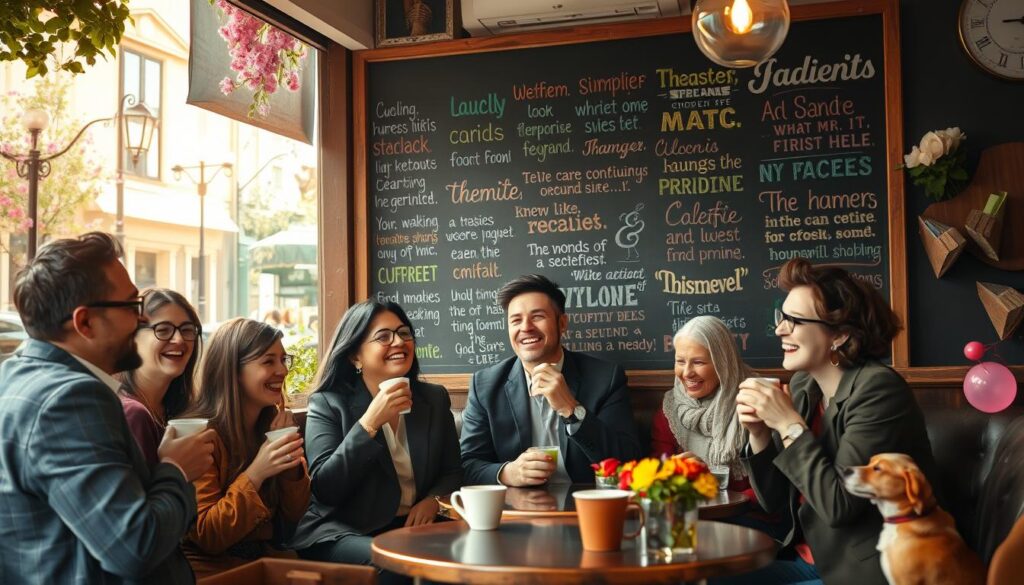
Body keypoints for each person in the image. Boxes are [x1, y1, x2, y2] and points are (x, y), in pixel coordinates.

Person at [0, 232, 215, 584]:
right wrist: (176, 469)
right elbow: (133, 547)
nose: (142, 320)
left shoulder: (13, 377)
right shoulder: (71, 400)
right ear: (85, 322)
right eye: (131, 306)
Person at [722, 259, 939, 585]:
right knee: (697, 575)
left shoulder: (879, 390)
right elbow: (775, 502)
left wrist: (788, 425)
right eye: (782, 317)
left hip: (869, 570)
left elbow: (839, 506)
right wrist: (759, 434)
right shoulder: (804, 385)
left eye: (795, 321)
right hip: (808, 557)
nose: (780, 329)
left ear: (839, 335)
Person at [292, 300, 462, 584]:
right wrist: (369, 423)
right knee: (398, 564)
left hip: (410, 527)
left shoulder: (433, 398)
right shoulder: (328, 403)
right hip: (343, 530)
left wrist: (433, 500)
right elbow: (326, 489)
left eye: (404, 333)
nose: (399, 342)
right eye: (383, 336)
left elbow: (453, 470)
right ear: (355, 356)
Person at [460, 274, 642, 486]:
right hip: (516, 503)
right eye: (516, 320)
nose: (525, 327)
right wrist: (508, 473)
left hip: (585, 501)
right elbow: (467, 466)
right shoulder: (485, 386)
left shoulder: (606, 379)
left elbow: (626, 462)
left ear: (562, 323)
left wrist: (572, 409)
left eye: (537, 316)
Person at [181, 318, 311, 578]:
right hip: (211, 572)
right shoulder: (198, 434)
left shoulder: (268, 425)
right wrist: (257, 472)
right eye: (268, 361)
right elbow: (208, 535)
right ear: (233, 370)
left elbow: (295, 515)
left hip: (263, 561)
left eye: (283, 360)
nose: (283, 370)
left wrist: (289, 467)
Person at [651, 316, 752, 490]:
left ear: (723, 363)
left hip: (746, 506)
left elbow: (772, 487)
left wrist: (712, 483)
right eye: (680, 361)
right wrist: (671, 474)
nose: (687, 373)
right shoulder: (670, 409)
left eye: (698, 362)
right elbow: (657, 477)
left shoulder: (755, 399)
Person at [117, 288, 202, 467]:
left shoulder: (180, 410)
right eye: (163, 330)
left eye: (187, 330)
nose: (179, 340)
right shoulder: (132, 414)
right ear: (132, 337)